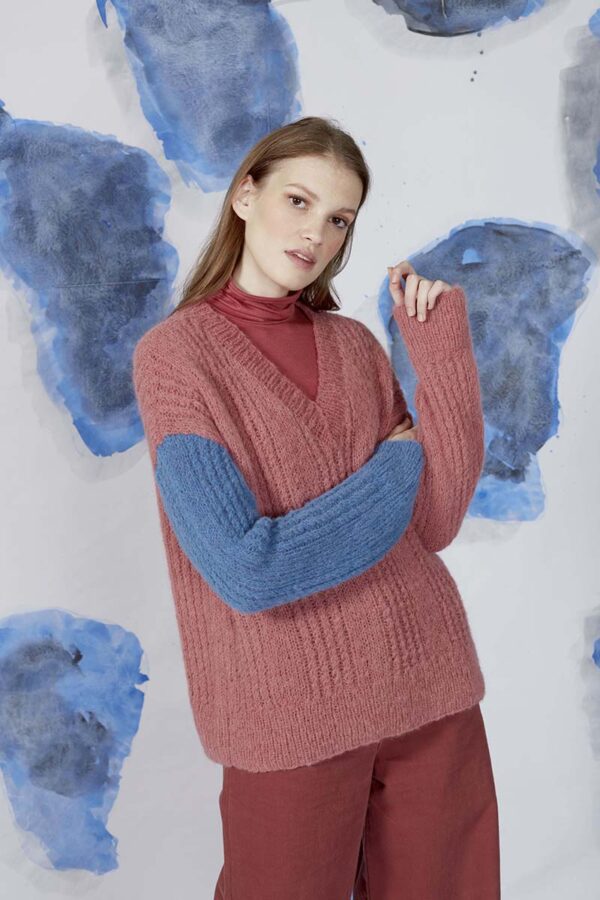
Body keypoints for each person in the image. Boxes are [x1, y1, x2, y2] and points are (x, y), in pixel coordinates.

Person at [132, 116, 500, 899]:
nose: (316, 234)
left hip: (428, 688)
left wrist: (441, 358)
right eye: (298, 201)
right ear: (245, 195)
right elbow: (248, 570)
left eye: (339, 219)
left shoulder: (355, 345)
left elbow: (431, 524)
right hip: (288, 716)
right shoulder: (176, 358)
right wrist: (398, 459)